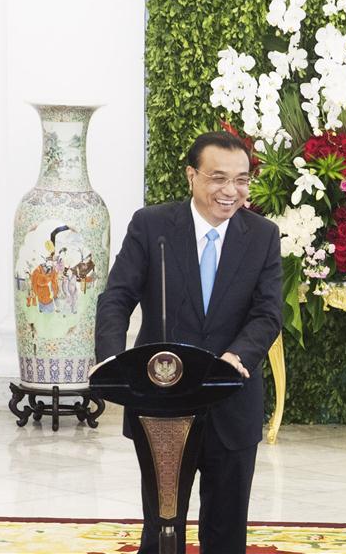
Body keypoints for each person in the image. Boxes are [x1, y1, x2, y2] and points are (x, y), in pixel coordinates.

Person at [94, 131, 282, 553]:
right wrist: (110, 359)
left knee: (227, 532)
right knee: (163, 528)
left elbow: (268, 312)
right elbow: (117, 297)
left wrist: (236, 356)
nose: (231, 191)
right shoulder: (152, 226)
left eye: (241, 180)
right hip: (162, 401)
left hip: (231, 398)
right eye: (218, 178)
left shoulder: (263, 235)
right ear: (191, 176)